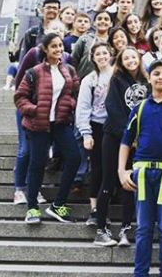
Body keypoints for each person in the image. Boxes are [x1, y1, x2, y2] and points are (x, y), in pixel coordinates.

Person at [118, 60, 162, 277]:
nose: (160, 77)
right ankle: (141, 273)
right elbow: (126, 141)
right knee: (143, 228)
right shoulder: (139, 108)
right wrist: (122, 171)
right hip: (142, 173)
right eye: (155, 73)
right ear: (149, 78)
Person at [14, 32, 81, 224]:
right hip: (38, 124)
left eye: (61, 46)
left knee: (74, 158)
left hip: (60, 123)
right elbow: (20, 97)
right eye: (54, 46)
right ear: (45, 49)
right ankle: (32, 208)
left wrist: (71, 104)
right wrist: (34, 110)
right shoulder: (34, 72)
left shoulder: (68, 69)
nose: (59, 49)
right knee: (37, 164)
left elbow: (76, 91)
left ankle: (58, 205)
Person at [94, 46, 148, 247]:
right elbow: (114, 109)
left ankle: (126, 228)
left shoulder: (146, 81)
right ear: (121, 61)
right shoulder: (116, 80)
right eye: (126, 58)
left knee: (130, 183)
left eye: (134, 57)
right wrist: (128, 135)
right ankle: (101, 229)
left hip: (137, 140)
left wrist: (138, 136)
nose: (131, 60)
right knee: (108, 180)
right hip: (114, 136)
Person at [75, 43, 114, 227]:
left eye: (104, 53)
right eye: (97, 54)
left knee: (112, 168)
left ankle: (107, 206)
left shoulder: (117, 75)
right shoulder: (89, 79)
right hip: (96, 126)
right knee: (97, 168)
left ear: (111, 54)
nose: (101, 56)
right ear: (93, 57)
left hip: (115, 127)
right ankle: (95, 209)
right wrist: (86, 133)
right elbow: (82, 107)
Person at [72, 11, 113, 80]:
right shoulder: (84, 39)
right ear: (94, 23)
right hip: (84, 81)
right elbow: (74, 59)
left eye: (106, 19)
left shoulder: (113, 41)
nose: (102, 21)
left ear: (111, 24)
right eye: (99, 19)